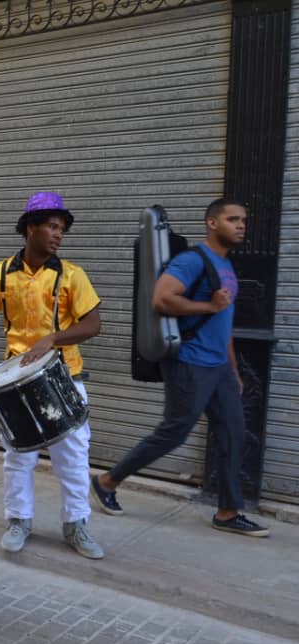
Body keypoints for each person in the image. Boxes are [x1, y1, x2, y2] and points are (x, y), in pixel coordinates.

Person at [91, 199, 269, 538]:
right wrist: (207, 304)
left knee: (233, 433)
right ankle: (106, 481)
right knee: (173, 432)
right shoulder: (191, 261)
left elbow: (223, 321)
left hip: (218, 367)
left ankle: (228, 512)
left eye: (243, 220)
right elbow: (161, 298)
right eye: (233, 219)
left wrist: (233, 369)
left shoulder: (227, 265)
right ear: (212, 223)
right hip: (189, 362)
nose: (241, 225)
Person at [0, 191, 104, 560]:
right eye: (51, 226)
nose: (58, 234)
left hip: (65, 377)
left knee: (73, 457)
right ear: (30, 228)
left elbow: (93, 324)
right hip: (16, 380)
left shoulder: (72, 276)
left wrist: (54, 338)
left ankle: (75, 525)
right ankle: (18, 521)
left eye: (61, 228)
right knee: (19, 456)